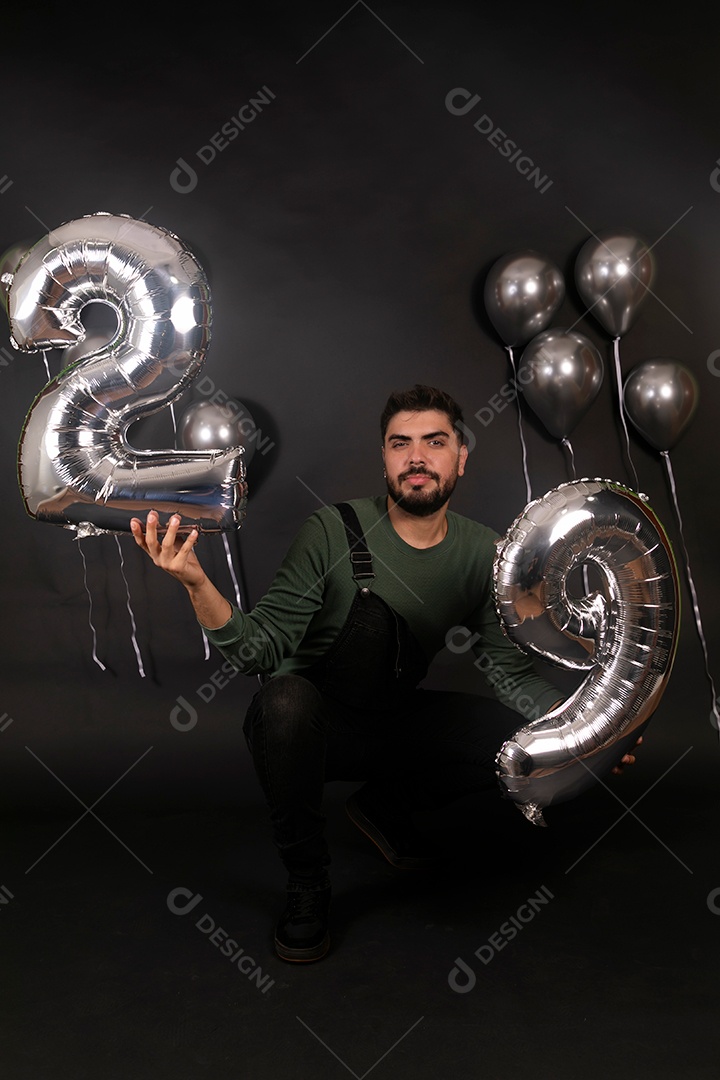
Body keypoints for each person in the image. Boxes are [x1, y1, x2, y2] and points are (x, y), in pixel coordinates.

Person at [131, 384, 638, 963]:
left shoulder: (485, 554)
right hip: (308, 729)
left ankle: (386, 807)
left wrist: (587, 729)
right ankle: (307, 881)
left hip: (391, 723)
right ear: (385, 457)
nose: (417, 457)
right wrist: (198, 583)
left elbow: (508, 672)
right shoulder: (331, 530)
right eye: (401, 444)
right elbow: (258, 650)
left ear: (460, 456)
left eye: (434, 442)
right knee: (285, 700)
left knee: (511, 740)